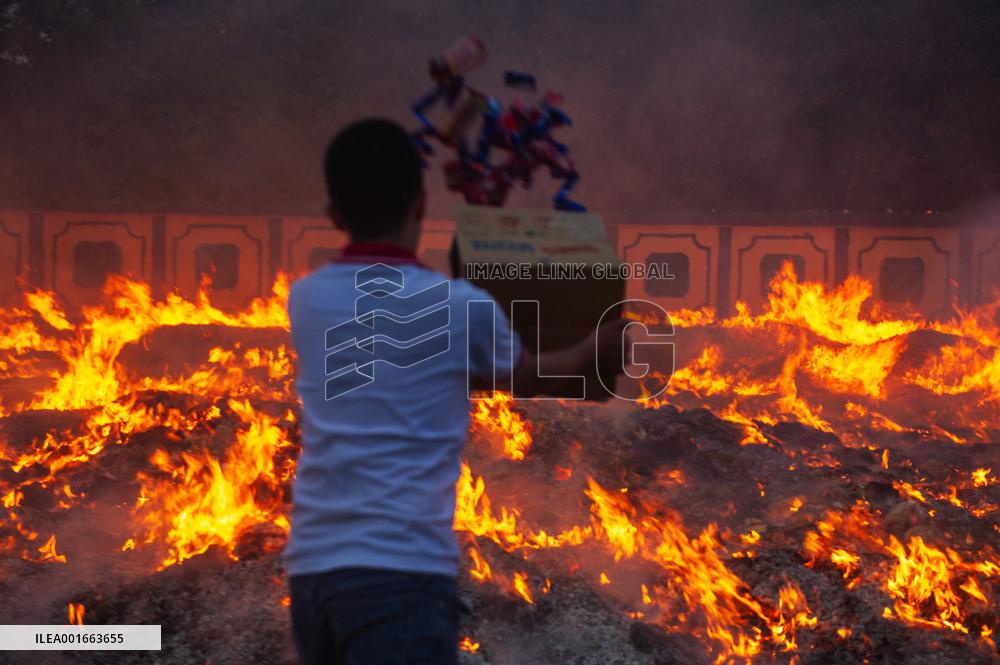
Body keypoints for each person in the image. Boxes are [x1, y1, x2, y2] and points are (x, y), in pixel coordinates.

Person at [285, 118, 627, 665]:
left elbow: (395, 351)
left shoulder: (306, 301)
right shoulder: (461, 307)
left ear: (333, 216)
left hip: (313, 574)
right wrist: (593, 347)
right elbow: (524, 376)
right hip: (402, 577)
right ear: (422, 205)